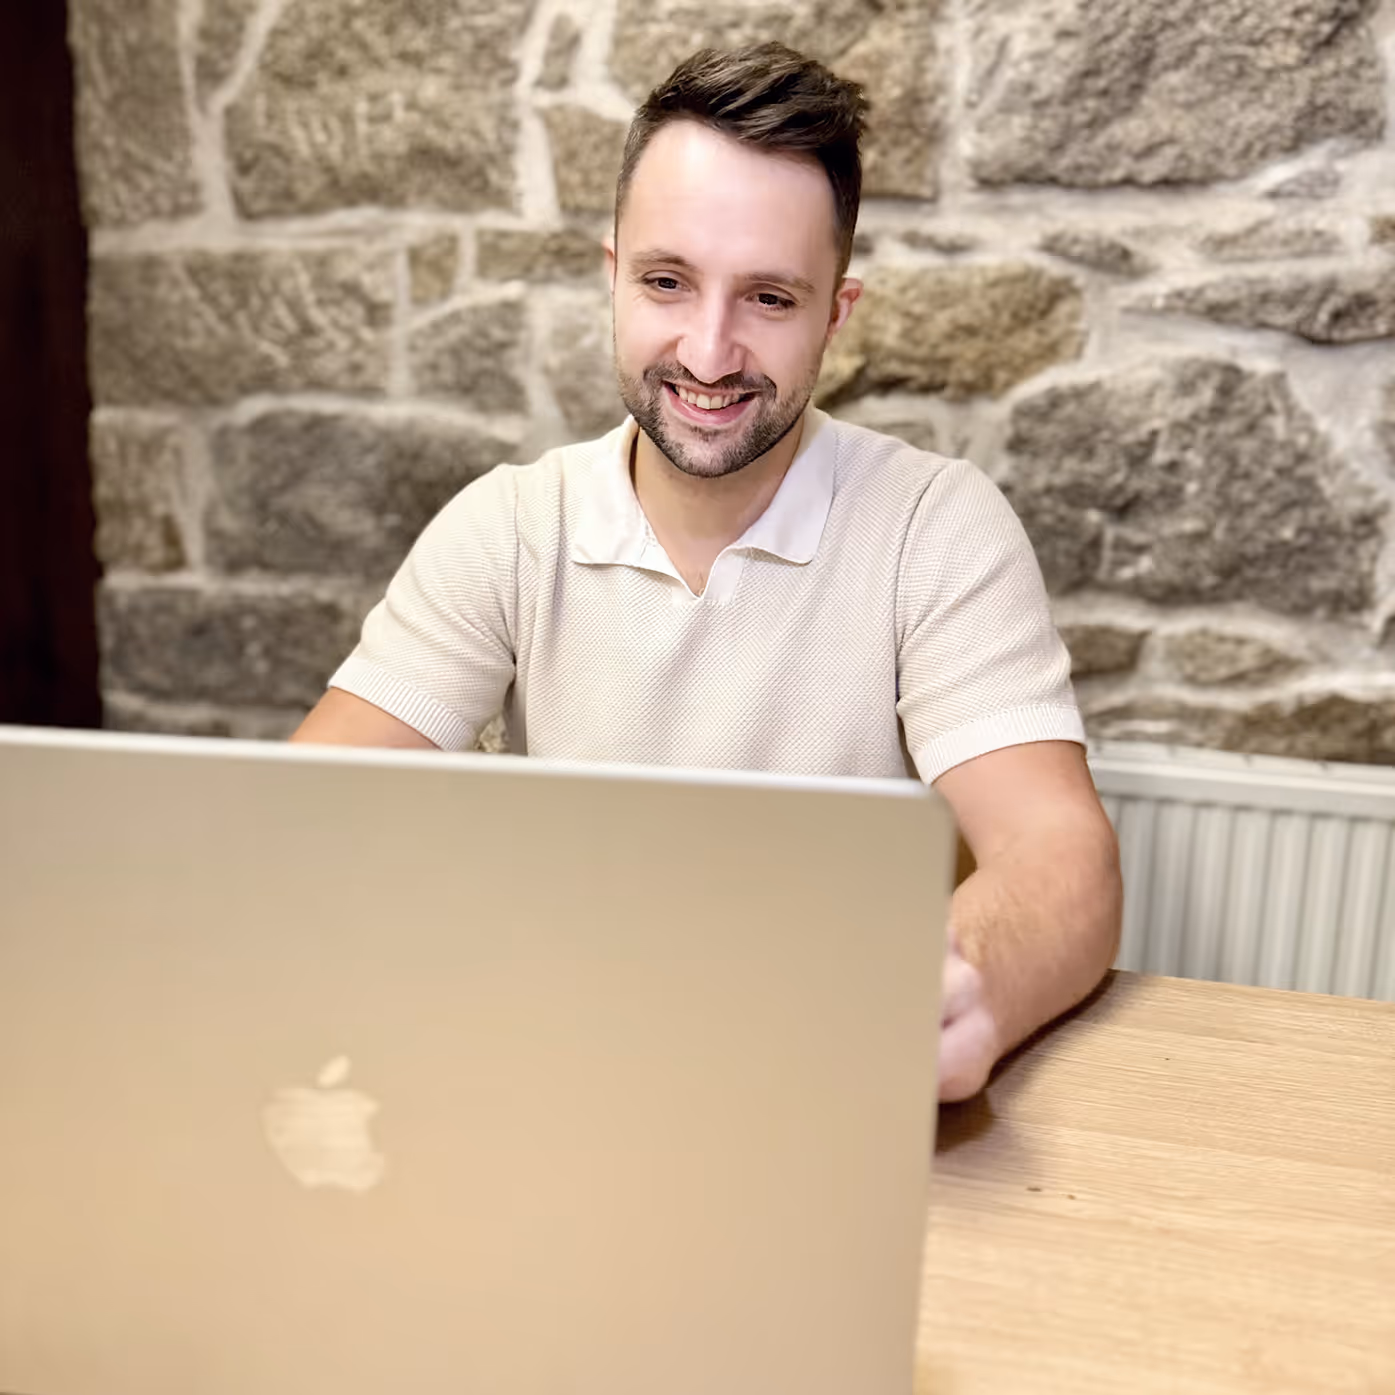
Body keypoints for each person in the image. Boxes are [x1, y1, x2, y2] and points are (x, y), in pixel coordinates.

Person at [292, 42, 1122, 1101]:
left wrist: (956, 988)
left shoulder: (935, 527)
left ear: (838, 313)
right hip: (563, 1074)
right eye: (668, 282)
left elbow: (1061, 853)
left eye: (770, 299)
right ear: (613, 277)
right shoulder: (508, 527)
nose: (710, 352)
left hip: (824, 1086)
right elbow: (310, 817)